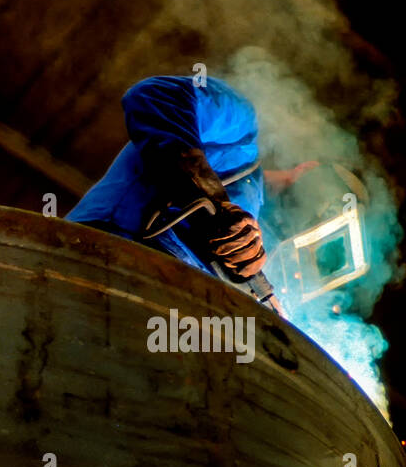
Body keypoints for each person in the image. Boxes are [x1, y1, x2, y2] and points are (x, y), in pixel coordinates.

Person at [66, 75, 320, 301]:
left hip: (158, 306)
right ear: (309, 172)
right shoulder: (239, 134)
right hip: (99, 257)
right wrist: (216, 202)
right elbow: (157, 95)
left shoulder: (262, 243)